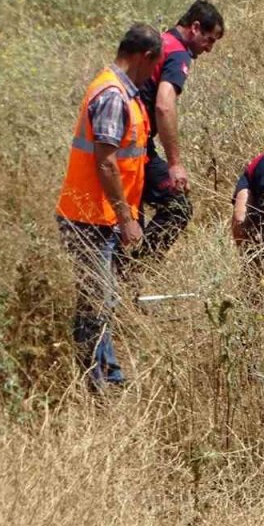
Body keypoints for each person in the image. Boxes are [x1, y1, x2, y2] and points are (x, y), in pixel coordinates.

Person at [56, 24, 163, 389]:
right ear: (143, 57)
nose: (154, 74)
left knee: (102, 300)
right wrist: (126, 218)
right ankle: (97, 386)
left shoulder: (122, 92)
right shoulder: (114, 95)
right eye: (154, 65)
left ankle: (109, 378)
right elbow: (105, 162)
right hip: (90, 219)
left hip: (99, 217)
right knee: (94, 304)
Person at [138, 0, 225, 259]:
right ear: (195, 28)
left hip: (123, 142)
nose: (209, 49)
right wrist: (175, 163)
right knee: (178, 207)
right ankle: (136, 270)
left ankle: (125, 276)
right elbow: (164, 105)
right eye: (209, 40)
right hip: (135, 145)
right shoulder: (178, 53)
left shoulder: (159, 42)